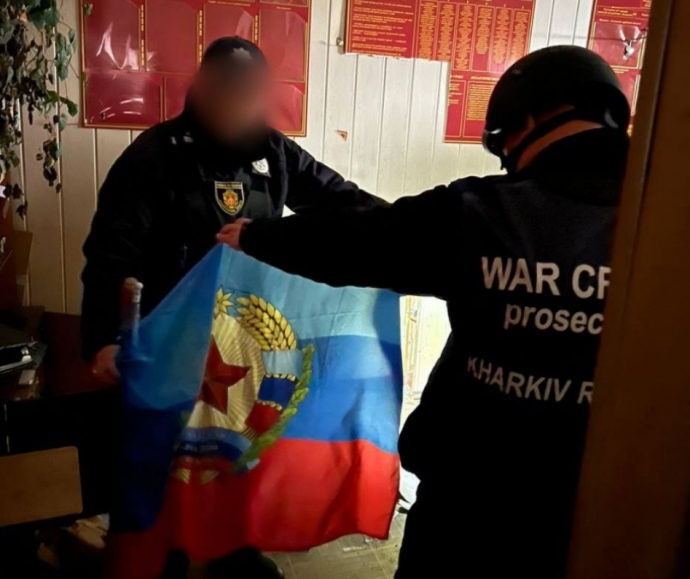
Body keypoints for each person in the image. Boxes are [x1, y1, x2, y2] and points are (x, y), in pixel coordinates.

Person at [216, 46, 632, 578]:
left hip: (470, 507)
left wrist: (257, 237)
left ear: (525, 122)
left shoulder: (484, 212)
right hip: (606, 508)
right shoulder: (670, 220)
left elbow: (363, 241)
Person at [81, 36, 386, 579]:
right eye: (227, 93)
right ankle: (165, 558)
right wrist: (103, 337)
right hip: (171, 347)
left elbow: (340, 202)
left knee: (237, 457)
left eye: (249, 95)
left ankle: (230, 551)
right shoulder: (154, 156)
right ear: (202, 88)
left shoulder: (275, 152)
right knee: (169, 467)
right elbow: (111, 252)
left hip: (243, 348)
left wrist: (400, 230)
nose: (238, 106)